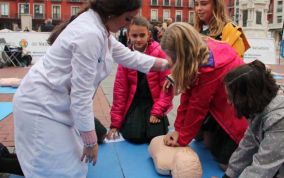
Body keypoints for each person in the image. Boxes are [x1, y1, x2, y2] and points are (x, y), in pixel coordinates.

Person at [13, 0, 170, 177]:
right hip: (41, 108)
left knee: (76, 167)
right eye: (127, 18)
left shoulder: (100, 28)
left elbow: (130, 57)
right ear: (113, 12)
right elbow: (81, 96)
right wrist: (90, 141)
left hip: (58, 105)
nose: (128, 25)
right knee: (58, 172)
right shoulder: (90, 34)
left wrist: (168, 64)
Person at [160, 22, 248, 170]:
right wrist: (177, 129)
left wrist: (182, 139)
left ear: (182, 55)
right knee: (208, 143)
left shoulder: (209, 67)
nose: (171, 62)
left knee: (225, 164)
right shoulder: (199, 51)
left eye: (173, 58)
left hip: (238, 114)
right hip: (222, 104)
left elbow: (197, 107)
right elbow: (188, 95)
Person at [107, 16, 173, 143]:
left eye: (142, 35)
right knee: (133, 137)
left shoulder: (160, 52)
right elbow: (120, 92)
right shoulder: (125, 57)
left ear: (149, 35)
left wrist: (158, 111)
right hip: (135, 103)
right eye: (134, 35)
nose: (138, 39)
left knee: (155, 137)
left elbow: (167, 88)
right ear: (128, 36)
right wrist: (115, 124)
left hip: (154, 102)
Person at [222, 60, 284, 178]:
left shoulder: (279, 119)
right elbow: (248, 145)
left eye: (231, 97)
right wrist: (229, 175)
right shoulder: (260, 105)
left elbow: (263, 166)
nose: (228, 102)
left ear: (246, 97)